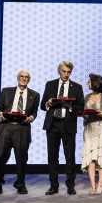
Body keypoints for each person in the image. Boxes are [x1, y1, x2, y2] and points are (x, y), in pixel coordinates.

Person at [0, 70, 40, 196]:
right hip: (6, 126)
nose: (24, 79)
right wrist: (1, 115)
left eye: (26, 77)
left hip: (22, 127)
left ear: (29, 79)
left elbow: (34, 112)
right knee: (0, 155)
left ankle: (20, 184)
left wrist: (31, 118)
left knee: (21, 157)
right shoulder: (6, 91)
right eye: (22, 76)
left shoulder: (35, 94)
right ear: (17, 78)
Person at [41, 61, 85, 195]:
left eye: (68, 72)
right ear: (59, 71)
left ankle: (70, 185)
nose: (66, 75)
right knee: (52, 157)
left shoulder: (77, 87)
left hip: (68, 124)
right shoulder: (50, 84)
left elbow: (81, 107)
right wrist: (48, 103)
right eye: (64, 71)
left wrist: (70, 106)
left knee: (69, 157)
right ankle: (53, 185)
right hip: (52, 124)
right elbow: (42, 105)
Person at [82, 74, 102, 194]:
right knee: (90, 158)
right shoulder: (86, 97)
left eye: (89, 81)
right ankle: (92, 185)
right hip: (89, 129)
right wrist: (81, 113)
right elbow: (85, 113)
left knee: (101, 157)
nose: (87, 83)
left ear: (95, 83)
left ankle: (100, 184)